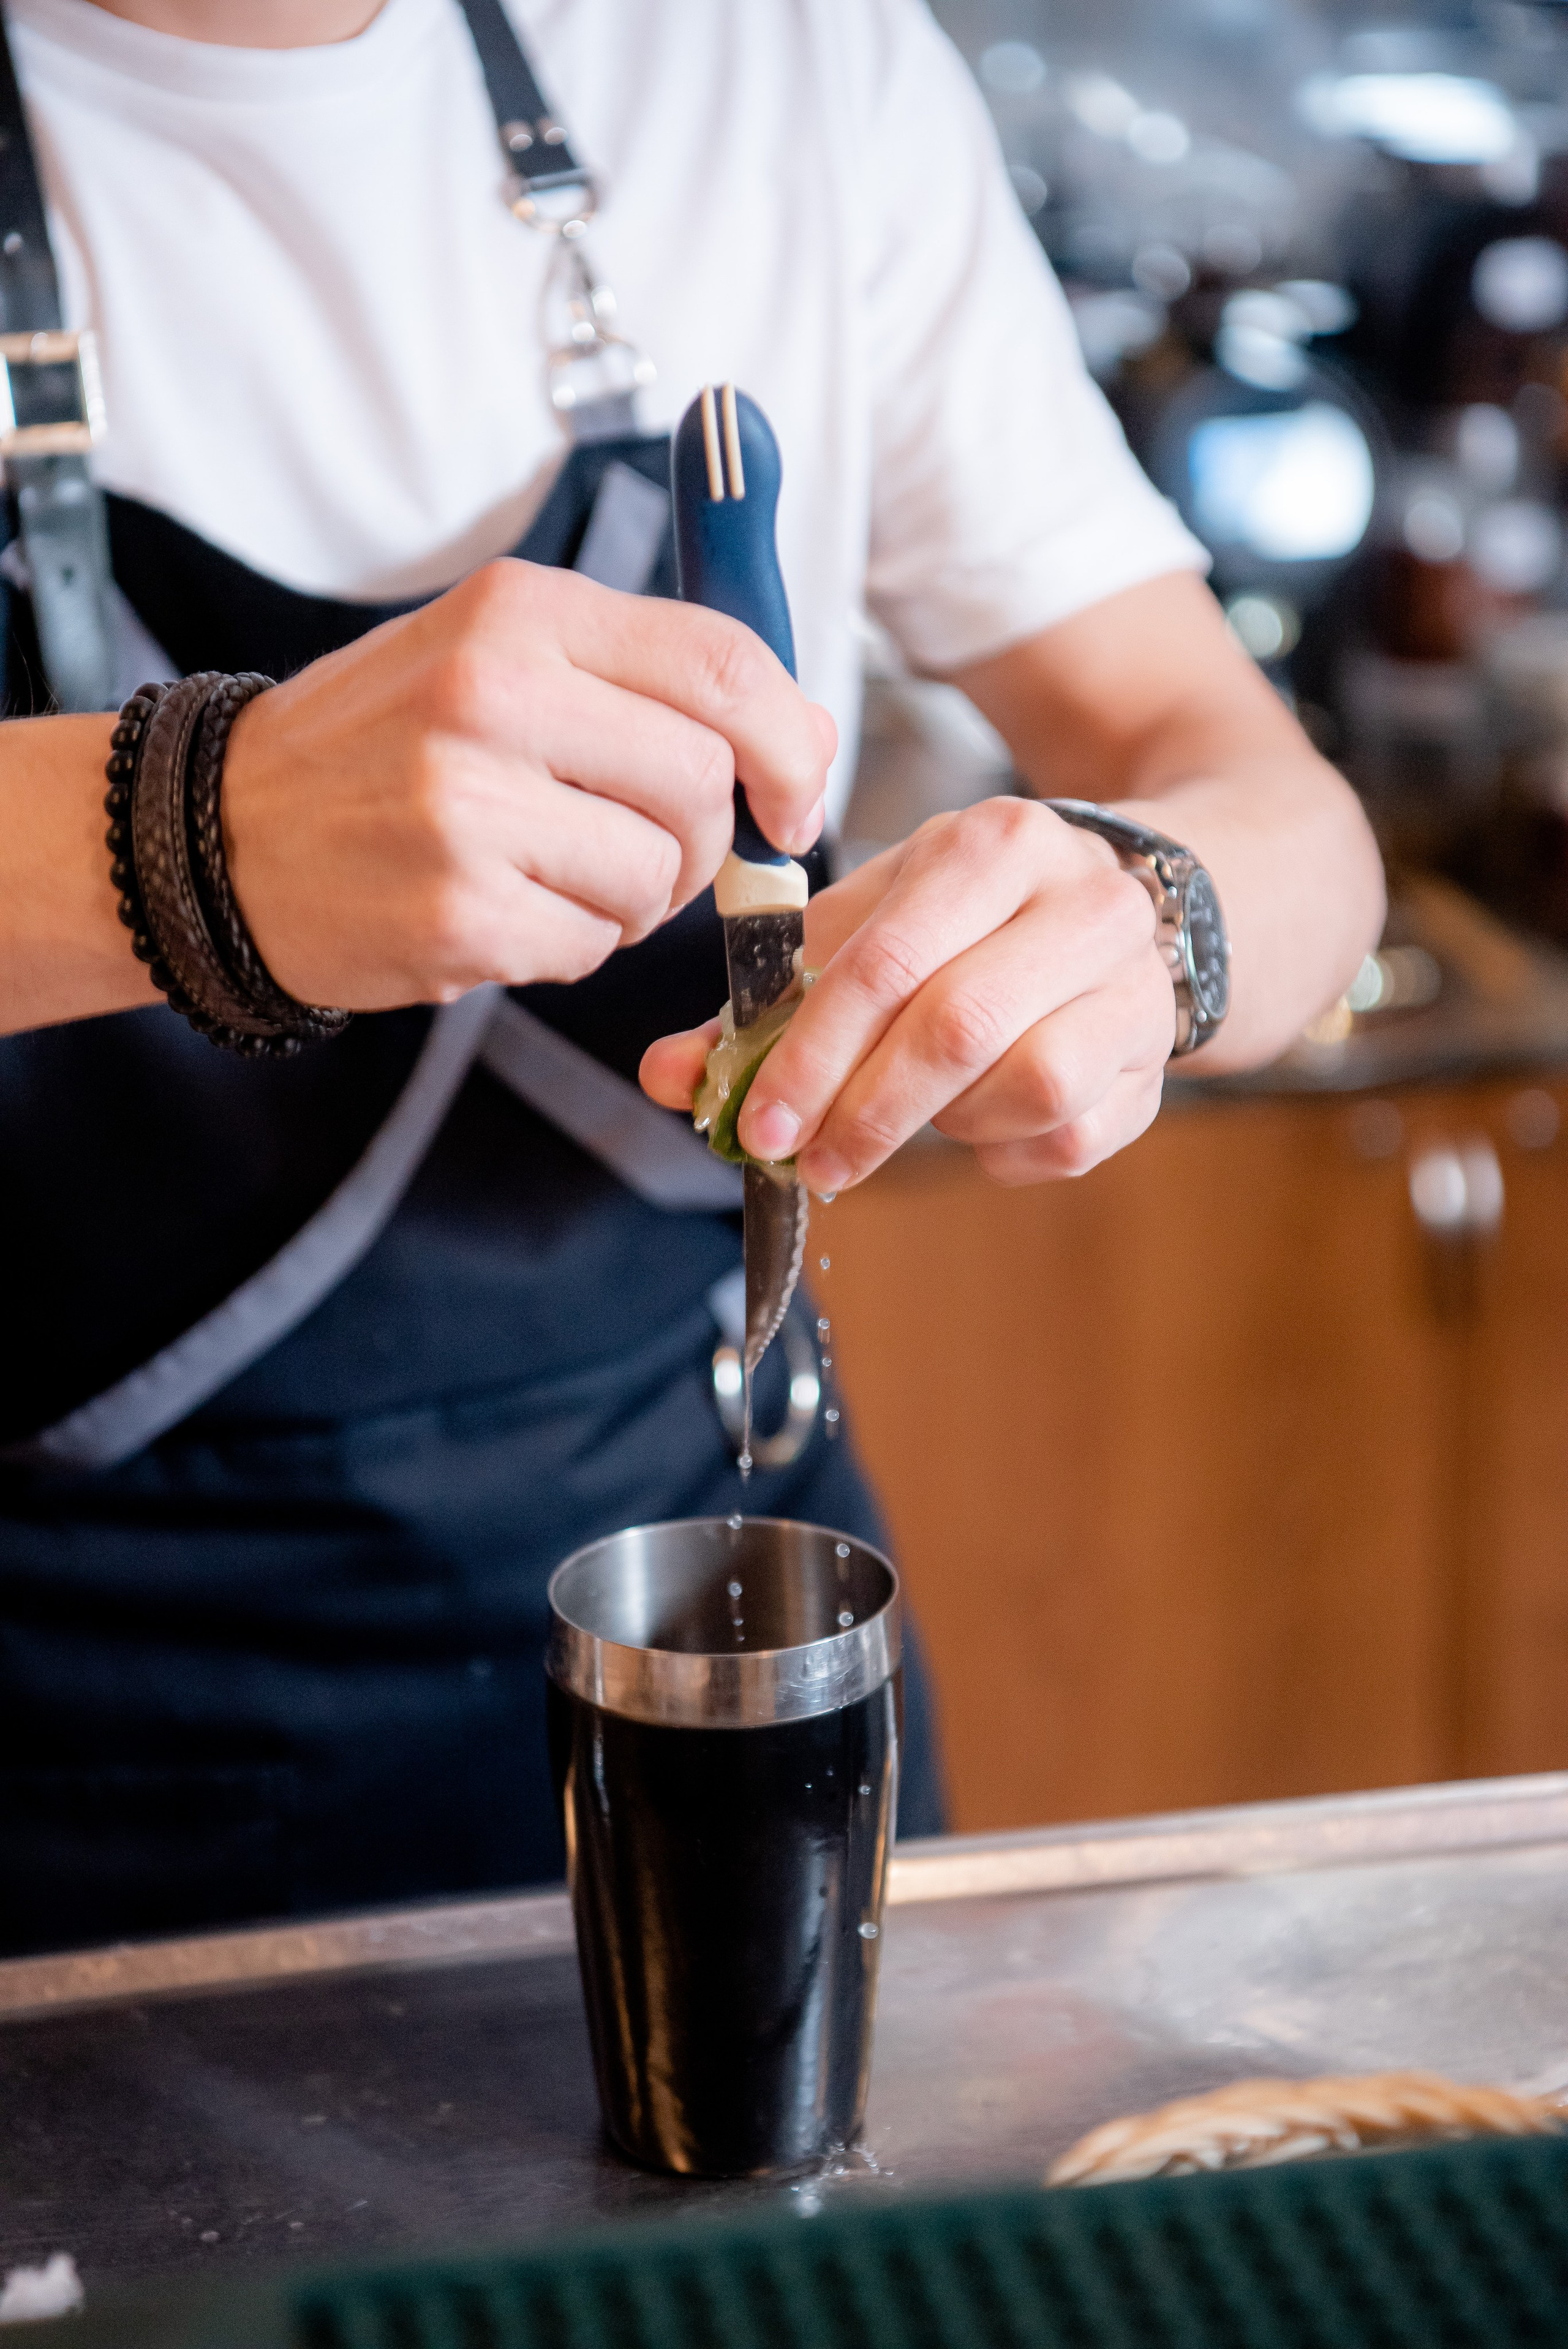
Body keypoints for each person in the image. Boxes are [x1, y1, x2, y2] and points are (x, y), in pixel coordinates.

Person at [0, 0, 1383, 1958]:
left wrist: (1163, 916)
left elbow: (1280, 808)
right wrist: (177, 834)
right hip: (70, 1768)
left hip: (736, 1658)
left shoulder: (780, 55)